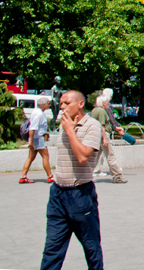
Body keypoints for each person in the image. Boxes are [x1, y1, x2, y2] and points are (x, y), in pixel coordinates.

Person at [40, 90, 104, 269]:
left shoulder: (92, 126)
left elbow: (83, 157)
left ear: (80, 104)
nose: (61, 107)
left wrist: (70, 131)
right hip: (58, 194)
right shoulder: (64, 124)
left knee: (91, 248)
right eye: (61, 103)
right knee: (52, 249)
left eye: (66, 103)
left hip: (80, 195)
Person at [91, 95, 127, 183]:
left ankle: (84, 175)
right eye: (107, 102)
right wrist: (104, 139)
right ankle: (117, 176)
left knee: (94, 157)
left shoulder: (94, 110)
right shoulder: (102, 111)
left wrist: (115, 128)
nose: (108, 104)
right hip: (103, 135)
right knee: (110, 156)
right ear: (103, 103)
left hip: (96, 135)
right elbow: (102, 126)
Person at [19, 96, 54, 184]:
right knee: (45, 156)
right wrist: (30, 141)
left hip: (36, 137)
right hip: (38, 138)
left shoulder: (36, 112)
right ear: (44, 104)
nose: (49, 105)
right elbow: (33, 127)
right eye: (48, 103)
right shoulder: (39, 114)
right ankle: (50, 176)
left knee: (31, 157)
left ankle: (23, 177)